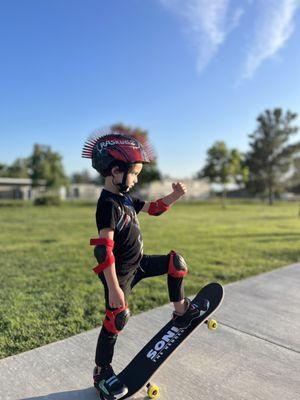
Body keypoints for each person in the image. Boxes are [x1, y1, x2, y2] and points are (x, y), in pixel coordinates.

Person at [82, 129, 209, 400]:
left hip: (138, 262)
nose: (137, 178)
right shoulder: (107, 204)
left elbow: (154, 209)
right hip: (121, 273)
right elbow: (104, 251)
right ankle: (102, 373)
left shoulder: (126, 198)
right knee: (117, 317)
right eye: (135, 173)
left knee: (177, 262)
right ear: (116, 170)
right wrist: (114, 288)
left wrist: (174, 196)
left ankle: (181, 311)